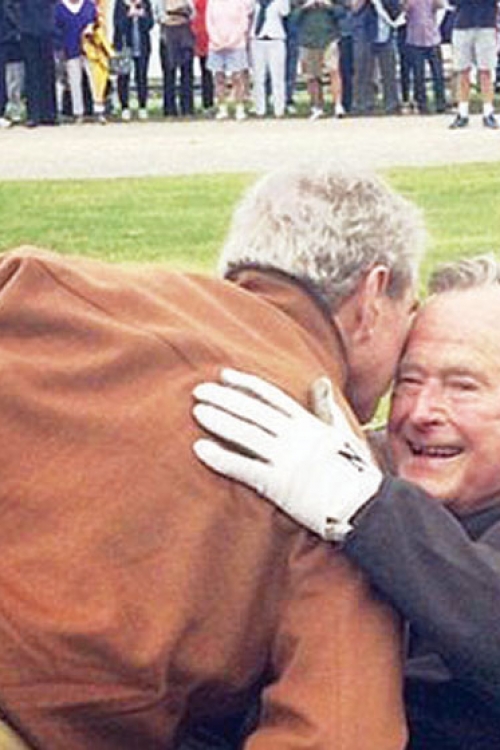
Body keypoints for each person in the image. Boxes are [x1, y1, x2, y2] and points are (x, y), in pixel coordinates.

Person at [0, 162, 425, 750]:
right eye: (410, 312)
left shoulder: (43, 285)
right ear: (372, 298)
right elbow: (341, 732)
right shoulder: (334, 470)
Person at [192, 254, 500, 749]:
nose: (421, 412)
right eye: (408, 382)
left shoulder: (348, 493)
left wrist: (365, 508)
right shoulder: (332, 469)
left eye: (463, 387)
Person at [448, 0, 498, 128]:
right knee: (462, 70)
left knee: (486, 70)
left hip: (486, 24)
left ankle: (488, 112)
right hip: (462, 23)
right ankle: (462, 113)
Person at [295, 0, 348, 120]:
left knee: (334, 71)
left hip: (329, 38)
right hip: (308, 40)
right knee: (312, 76)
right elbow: (293, 18)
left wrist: (328, 5)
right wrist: (305, 6)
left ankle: (338, 106)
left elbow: (342, 13)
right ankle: (316, 107)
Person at [206, 0, 254, 120]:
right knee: (219, 78)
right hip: (216, 45)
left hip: (236, 45)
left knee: (237, 77)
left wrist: (232, 40)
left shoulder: (239, 2)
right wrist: (216, 39)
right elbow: (209, 22)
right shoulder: (212, 3)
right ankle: (222, 108)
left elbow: (243, 23)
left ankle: (239, 108)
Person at [14, 0, 58, 127]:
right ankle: (34, 114)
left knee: (48, 72)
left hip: (47, 29)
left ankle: (49, 114)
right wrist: (20, 24)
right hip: (28, 30)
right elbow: (11, 5)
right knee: (32, 74)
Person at [54, 0, 98, 124]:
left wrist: (91, 27)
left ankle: (98, 109)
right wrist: (60, 50)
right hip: (70, 50)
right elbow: (56, 30)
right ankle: (78, 112)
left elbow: (97, 23)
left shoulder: (89, 6)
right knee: (74, 82)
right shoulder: (59, 8)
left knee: (95, 80)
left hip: (90, 51)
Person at [113, 0, 154, 121]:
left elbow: (150, 24)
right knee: (123, 76)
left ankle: (142, 106)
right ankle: (125, 107)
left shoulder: (145, 3)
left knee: (141, 76)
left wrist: (142, 16)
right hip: (124, 46)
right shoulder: (120, 3)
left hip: (142, 46)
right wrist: (129, 15)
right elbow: (118, 25)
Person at [403, 0, 446, 114]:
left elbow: (441, 5)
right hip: (415, 39)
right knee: (418, 74)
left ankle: (441, 104)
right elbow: (403, 12)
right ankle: (422, 104)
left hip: (433, 38)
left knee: (438, 74)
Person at [249, 0, 289, 119]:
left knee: (278, 77)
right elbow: (248, 12)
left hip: (275, 39)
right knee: (258, 77)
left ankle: (279, 109)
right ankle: (260, 109)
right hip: (257, 40)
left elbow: (285, 12)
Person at [157, 0, 196, 117]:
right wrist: (179, 15)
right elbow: (161, 18)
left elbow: (192, 15)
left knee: (187, 74)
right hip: (167, 38)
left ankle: (187, 108)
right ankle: (169, 109)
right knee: (169, 75)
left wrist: (174, 15)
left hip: (185, 37)